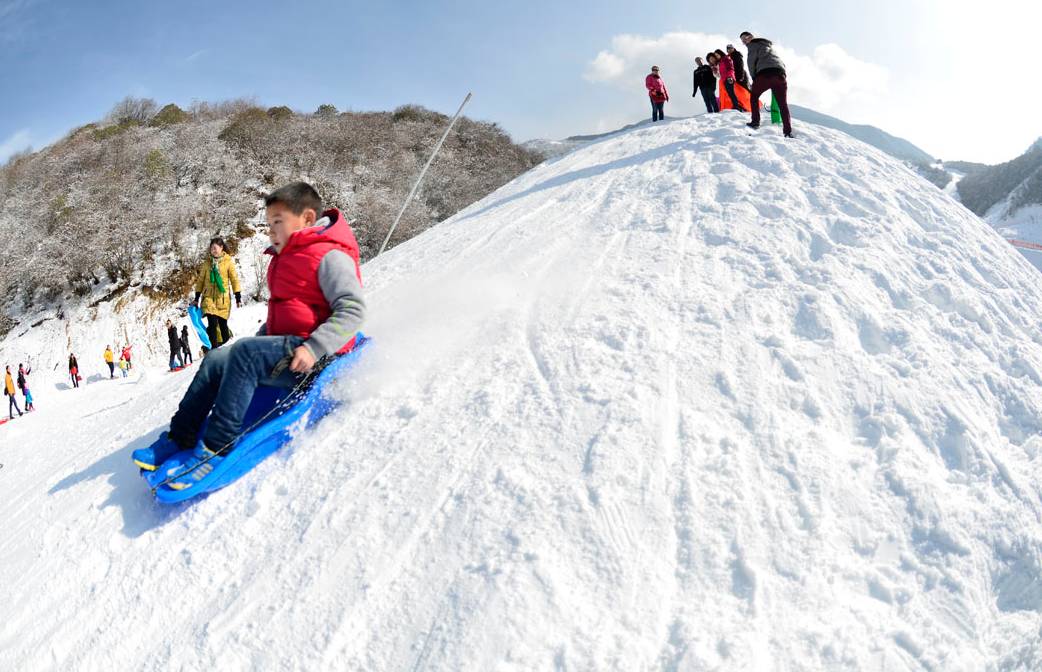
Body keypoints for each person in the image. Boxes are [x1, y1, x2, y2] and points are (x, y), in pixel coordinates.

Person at [132, 182, 366, 488]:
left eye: (277, 223)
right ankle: (181, 435)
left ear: (307, 219)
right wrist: (262, 339)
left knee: (243, 353)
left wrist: (314, 348)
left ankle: (214, 449)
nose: (270, 231)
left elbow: (353, 310)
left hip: (315, 356)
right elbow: (286, 311)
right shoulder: (285, 257)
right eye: (268, 224)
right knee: (216, 358)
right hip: (286, 346)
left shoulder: (330, 257)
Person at [741, 31, 794, 138]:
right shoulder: (768, 45)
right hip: (780, 75)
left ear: (751, 37)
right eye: (742, 41)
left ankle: (755, 122)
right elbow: (780, 62)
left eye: (745, 38)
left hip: (764, 74)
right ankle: (787, 132)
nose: (744, 41)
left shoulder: (753, 45)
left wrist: (754, 79)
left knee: (754, 96)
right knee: (782, 104)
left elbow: (751, 63)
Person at [193, 237, 241, 349]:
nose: (213, 250)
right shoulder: (207, 263)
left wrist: (237, 296)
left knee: (223, 325)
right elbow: (200, 280)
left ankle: (227, 348)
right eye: (211, 248)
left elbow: (234, 279)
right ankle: (214, 350)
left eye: (215, 248)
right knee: (212, 324)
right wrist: (197, 297)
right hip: (208, 297)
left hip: (223, 299)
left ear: (221, 248)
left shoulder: (228, 262)